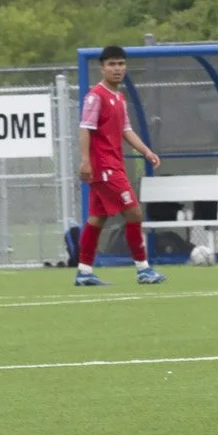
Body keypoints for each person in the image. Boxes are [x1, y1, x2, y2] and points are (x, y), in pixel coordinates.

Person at [75, 46, 165, 286]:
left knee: (97, 218)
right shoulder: (96, 96)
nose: (117, 69)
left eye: (121, 64)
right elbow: (85, 128)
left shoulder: (119, 97)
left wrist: (146, 151)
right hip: (104, 167)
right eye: (112, 64)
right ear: (102, 67)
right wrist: (85, 161)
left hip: (114, 164)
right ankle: (143, 269)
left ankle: (84, 272)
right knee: (134, 212)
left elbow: (126, 129)